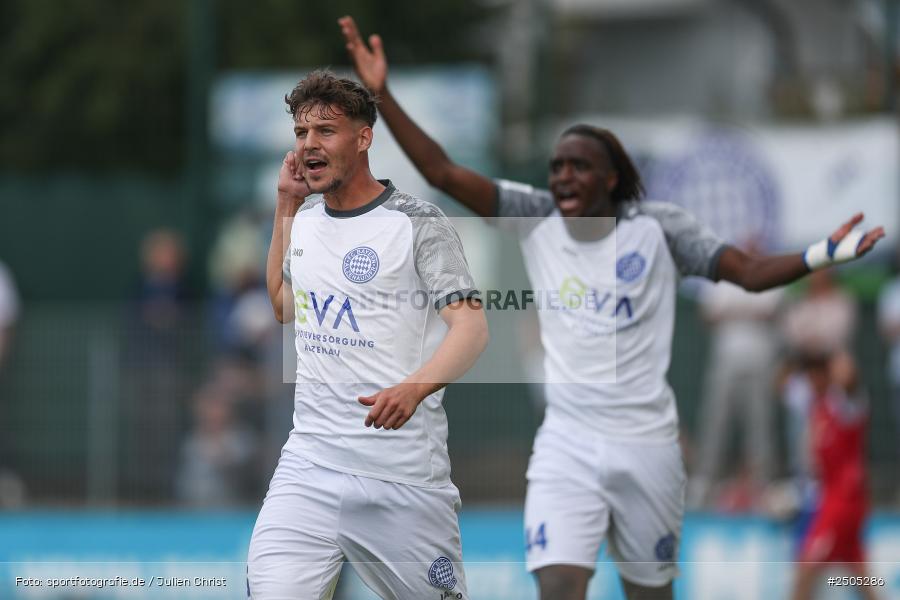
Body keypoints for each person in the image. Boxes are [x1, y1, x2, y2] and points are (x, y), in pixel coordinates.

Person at [339, 16, 885, 600]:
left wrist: (821, 254)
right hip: (566, 443)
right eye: (557, 166)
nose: (563, 176)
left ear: (612, 177)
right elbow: (442, 172)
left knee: (649, 593)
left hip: (645, 444)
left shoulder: (659, 229)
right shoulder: (536, 216)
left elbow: (748, 274)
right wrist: (383, 94)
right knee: (558, 585)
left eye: (579, 165)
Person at [246, 70, 488, 599]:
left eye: (325, 131)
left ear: (363, 137)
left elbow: (471, 327)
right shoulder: (304, 221)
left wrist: (415, 388)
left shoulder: (417, 223)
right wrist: (285, 205)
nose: (309, 144)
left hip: (401, 479)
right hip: (309, 467)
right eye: (301, 132)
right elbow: (284, 305)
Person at [790, 351, 878, 600]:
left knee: (806, 568)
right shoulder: (817, 406)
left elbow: (851, 386)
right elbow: (783, 382)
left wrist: (844, 371)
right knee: (862, 578)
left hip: (844, 501)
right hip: (833, 498)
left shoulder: (846, 404)